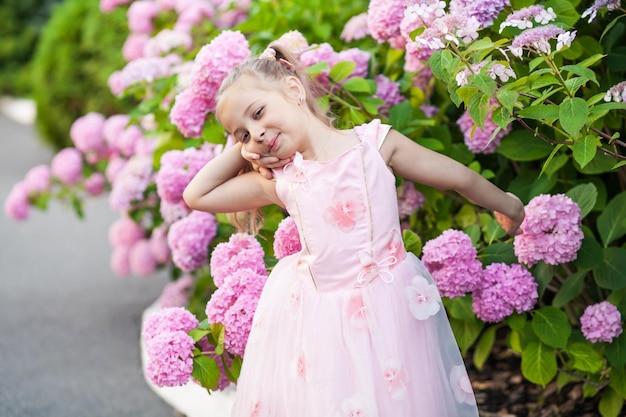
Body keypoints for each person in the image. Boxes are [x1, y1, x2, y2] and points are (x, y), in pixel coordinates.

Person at [183, 43, 525, 417]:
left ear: (294, 90)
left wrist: (507, 205)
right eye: (243, 133)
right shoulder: (281, 178)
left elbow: (456, 176)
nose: (257, 134)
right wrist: (241, 151)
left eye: (259, 113)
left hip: (389, 306)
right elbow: (197, 194)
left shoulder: (374, 145)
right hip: (320, 324)